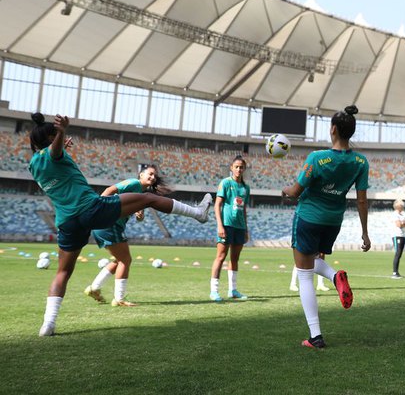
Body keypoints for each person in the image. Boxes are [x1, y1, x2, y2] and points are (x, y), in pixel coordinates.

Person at [29, 113, 212, 337]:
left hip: (66, 221)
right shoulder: (53, 152)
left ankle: (48, 324)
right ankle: (198, 213)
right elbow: (54, 152)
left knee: (62, 273)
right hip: (90, 208)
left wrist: (60, 143)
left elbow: (53, 158)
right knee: (148, 198)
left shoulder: (34, 164)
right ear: (51, 137)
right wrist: (62, 131)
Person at [282, 105, 371, 350]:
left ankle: (316, 336)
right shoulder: (360, 162)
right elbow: (361, 200)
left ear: (333, 129)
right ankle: (335, 276)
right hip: (333, 221)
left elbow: (296, 191)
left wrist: (285, 190)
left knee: (304, 275)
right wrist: (364, 233)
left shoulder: (316, 158)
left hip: (309, 217)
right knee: (311, 262)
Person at [84, 164, 170, 307]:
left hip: (109, 224)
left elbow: (139, 218)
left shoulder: (142, 196)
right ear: (140, 175)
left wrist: (139, 213)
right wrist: (98, 209)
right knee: (125, 260)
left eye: (155, 176)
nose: (153, 177)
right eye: (150, 174)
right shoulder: (133, 183)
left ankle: (94, 288)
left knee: (118, 260)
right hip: (109, 223)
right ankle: (119, 299)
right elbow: (109, 190)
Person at [210, 155, 251, 302]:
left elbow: (244, 208)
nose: (239, 169)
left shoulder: (246, 187)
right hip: (226, 225)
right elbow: (217, 205)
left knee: (235, 259)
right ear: (231, 168)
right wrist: (220, 225)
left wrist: (246, 229)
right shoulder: (225, 183)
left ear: (244, 169)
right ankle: (214, 291)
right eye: (236, 166)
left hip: (239, 226)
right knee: (221, 257)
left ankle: (232, 290)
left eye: (241, 167)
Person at [391, 199, 405, 278]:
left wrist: (404, 223)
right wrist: (404, 223)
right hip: (397, 235)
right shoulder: (395, 214)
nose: (403, 207)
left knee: (399, 254)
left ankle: (397, 272)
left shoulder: (402, 215)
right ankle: (395, 272)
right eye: (401, 206)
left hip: (402, 235)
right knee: (397, 254)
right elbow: (399, 225)